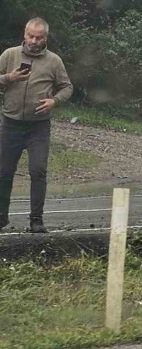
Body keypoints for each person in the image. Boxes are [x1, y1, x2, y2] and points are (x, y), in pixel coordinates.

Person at [0, 18, 73, 233]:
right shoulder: (9, 55)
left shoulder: (54, 61)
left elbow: (67, 88)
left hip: (38, 127)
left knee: (38, 171)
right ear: (24, 33)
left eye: (38, 37)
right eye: (31, 36)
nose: (33, 41)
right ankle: (2, 217)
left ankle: (36, 220)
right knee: (4, 172)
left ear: (45, 38)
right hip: (10, 123)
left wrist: (54, 101)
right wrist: (8, 77)